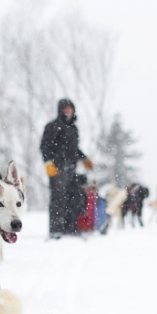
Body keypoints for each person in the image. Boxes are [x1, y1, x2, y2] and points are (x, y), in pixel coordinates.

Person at [40, 98, 93, 238]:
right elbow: (45, 146)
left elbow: (74, 149)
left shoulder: (74, 129)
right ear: (60, 110)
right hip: (57, 169)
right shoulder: (52, 126)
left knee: (74, 196)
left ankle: (70, 228)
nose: (68, 111)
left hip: (71, 168)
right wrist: (48, 162)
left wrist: (84, 158)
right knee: (58, 199)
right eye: (65, 109)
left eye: (70, 109)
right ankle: (56, 229)